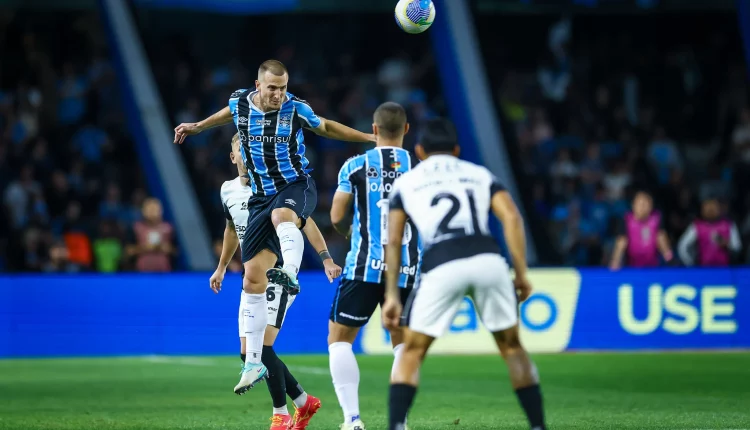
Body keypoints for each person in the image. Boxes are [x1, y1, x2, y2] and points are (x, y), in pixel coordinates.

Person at [174, 60, 374, 394]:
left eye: (282, 88)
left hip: (295, 185)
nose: (279, 94)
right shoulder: (240, 102)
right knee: (252, 275)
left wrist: (368, 136)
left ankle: (291, 276)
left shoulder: (296, 109)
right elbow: (226, 113)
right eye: (272, 88)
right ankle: (252, 362)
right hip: (261, 197)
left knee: (282, 217)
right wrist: (197, 126)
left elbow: (325, 127)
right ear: (258, 85)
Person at [381, 118, 547, 430]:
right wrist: (521, 273)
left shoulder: (408, 182)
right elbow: (511, 216)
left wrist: (391, 295)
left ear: (419, 150)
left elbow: (393, 239)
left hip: (442, 262)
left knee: (412, 351)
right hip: (488, 258)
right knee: (512, 347)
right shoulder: (479, 174)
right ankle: (538, 426)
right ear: (456, 150)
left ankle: (396, 427)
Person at [209, 133, 340, 429]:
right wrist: (221, 267)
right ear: (233, 157)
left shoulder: (271, 188)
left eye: (249, 148)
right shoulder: (227, 190)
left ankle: (280, 414)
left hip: (277, 275)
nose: (245, 153)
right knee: (247, 351)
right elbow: (231, 230)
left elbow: (305, 222)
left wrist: (326, 257)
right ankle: (304, 402)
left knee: (263, 346)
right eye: (239, 150)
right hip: (251, 278)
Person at [328, 102, 421, 430]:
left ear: (375, 129)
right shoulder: (421, 168)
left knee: (340, 340)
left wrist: (352, 232)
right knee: (403, 344)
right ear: (406, 130)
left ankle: (352, 420)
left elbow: (337, 216)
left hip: (363, 267)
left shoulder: (354, 165)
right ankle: (401, 422)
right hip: (407, 268)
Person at [609, 191, 673, 270]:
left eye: (646, 204)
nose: (642, 208)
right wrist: (616, 260)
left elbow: (660, 237)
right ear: (633, 205)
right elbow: (622, 241)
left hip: (653, 266)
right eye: (640, 204)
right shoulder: (627, 219)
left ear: (651, 206)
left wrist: (668, 256)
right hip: (632, 266)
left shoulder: (656, 218)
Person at [677, 197, 741, 267]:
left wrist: (727, 244)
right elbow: (682, 246)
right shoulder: (696, 226)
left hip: (725, 270)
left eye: (713, 207)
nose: (710, 210)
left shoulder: (728, 224)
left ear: (719, 208)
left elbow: (737, 247)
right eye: (707, 207)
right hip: (703, 270)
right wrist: (691, 265)